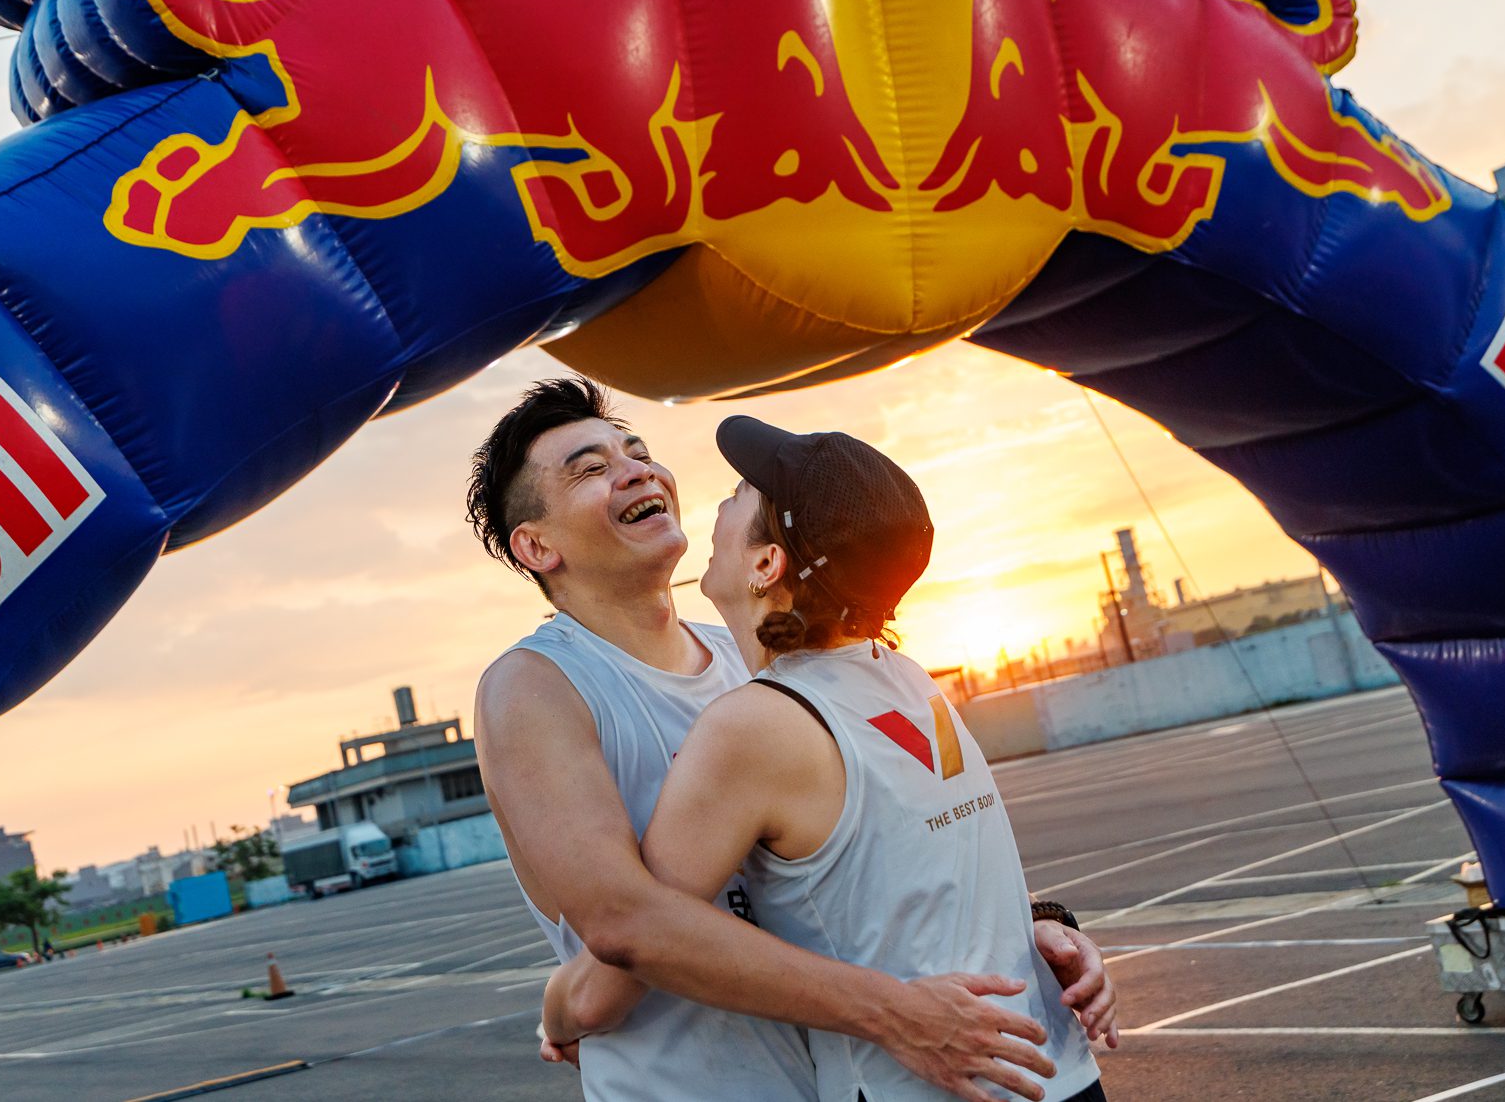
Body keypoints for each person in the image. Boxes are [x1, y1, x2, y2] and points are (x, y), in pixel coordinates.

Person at [469, 378, 1109, 1100]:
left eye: (639, 452)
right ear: (536, 545)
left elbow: (883, 845)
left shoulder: (760, 663)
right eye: (591, 468)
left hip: (847, 1078)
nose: (637, 470)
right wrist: (895, 1011)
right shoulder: (535, 686)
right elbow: (623, 926)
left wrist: (1034, 925)